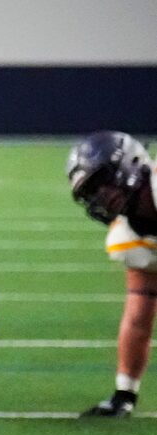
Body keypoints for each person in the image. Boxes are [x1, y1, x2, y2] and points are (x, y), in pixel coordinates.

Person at [66, 131, 157, 418]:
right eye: (90, 192)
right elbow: (138, 319)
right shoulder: (129, 233)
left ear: (128, 164)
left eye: (99, 183)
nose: (99, 197)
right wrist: (124, 393)